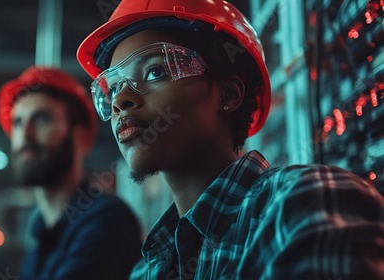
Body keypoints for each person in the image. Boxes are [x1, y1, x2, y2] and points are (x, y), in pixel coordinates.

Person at [76, 0, 384, 279]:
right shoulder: (146, 271)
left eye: (155, 71)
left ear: (229, 94)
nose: (121, 101)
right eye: (113, 88)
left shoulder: (308, 203)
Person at [0, 66, 142, 280]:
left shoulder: (107, 221)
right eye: (18, 122)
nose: (25, 134)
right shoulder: (41, 233)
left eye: (42, 119)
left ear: (81, 137)